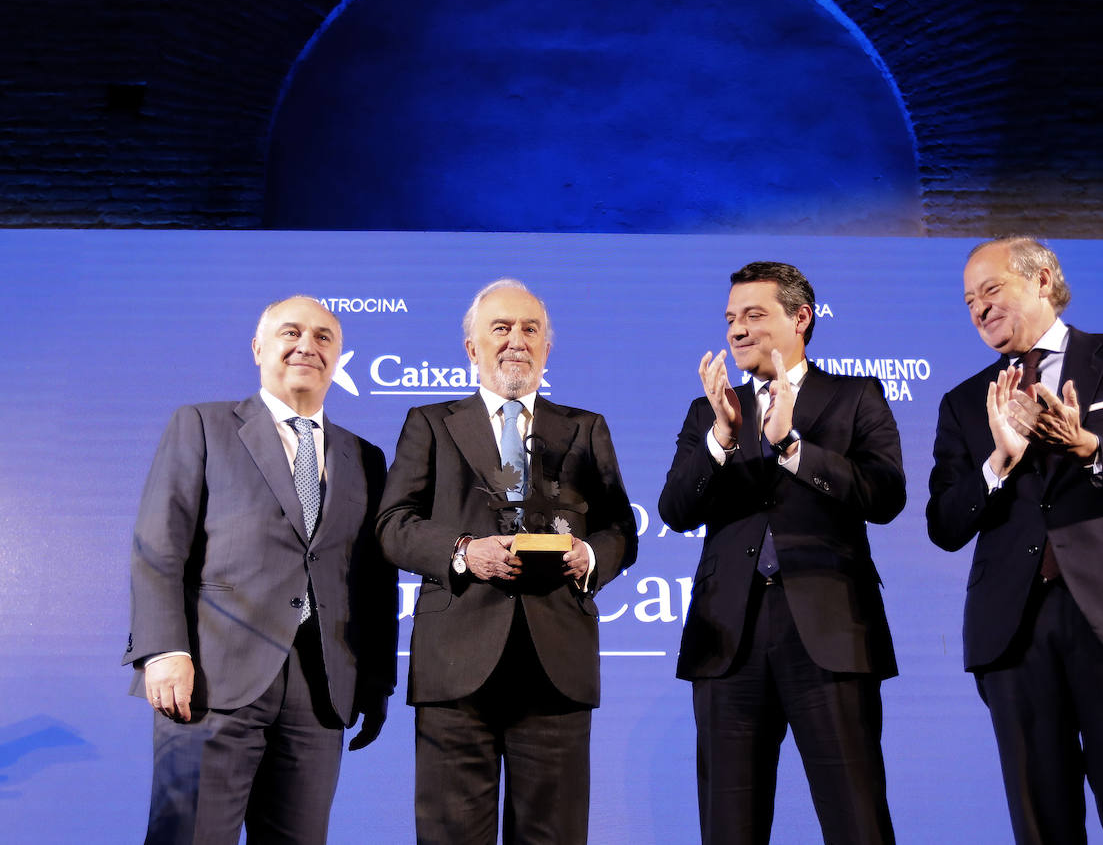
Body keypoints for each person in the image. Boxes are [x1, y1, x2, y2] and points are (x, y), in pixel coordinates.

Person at [927, 236, 1103, 843]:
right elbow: (944, 524)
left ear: (1043, 279)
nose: (978, 309)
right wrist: (997, 463)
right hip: (1014, 632)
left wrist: (1091, 448)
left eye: (991, 289)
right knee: (1041, 826)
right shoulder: (965, 402)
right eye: (969, 301)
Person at [122, 295, 398, 844]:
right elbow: (159, 546)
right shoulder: (202, 425)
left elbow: (374, 580)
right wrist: (164, 650)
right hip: (211, 681)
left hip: (320, 692)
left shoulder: (365, 456)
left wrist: (376, 681)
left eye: (323, 337)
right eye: (291, 332)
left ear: (338, 356)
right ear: (257, 348)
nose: (307, 346)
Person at [376, 279, 636, 845]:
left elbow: (621, 529)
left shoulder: (585, 427)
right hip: (454, 667)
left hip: (557, 667)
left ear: (546, 348)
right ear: (472, 348)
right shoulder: (430, 423)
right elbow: (393, 525)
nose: (517, 340)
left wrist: (590, 555)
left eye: (530, 329)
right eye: (501, 328)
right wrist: (464, 552)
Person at [659, 261, 906, 844]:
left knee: (857, 821)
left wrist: (793, 447)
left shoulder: (855, 397)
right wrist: (721, 440)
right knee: (729, 828)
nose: (737, 330)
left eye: (753, 314)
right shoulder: (708, 411)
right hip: (729, 637)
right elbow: (675, 510)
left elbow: (885, 496)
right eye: (730, 318)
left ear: (801, 318)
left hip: (830, 629)